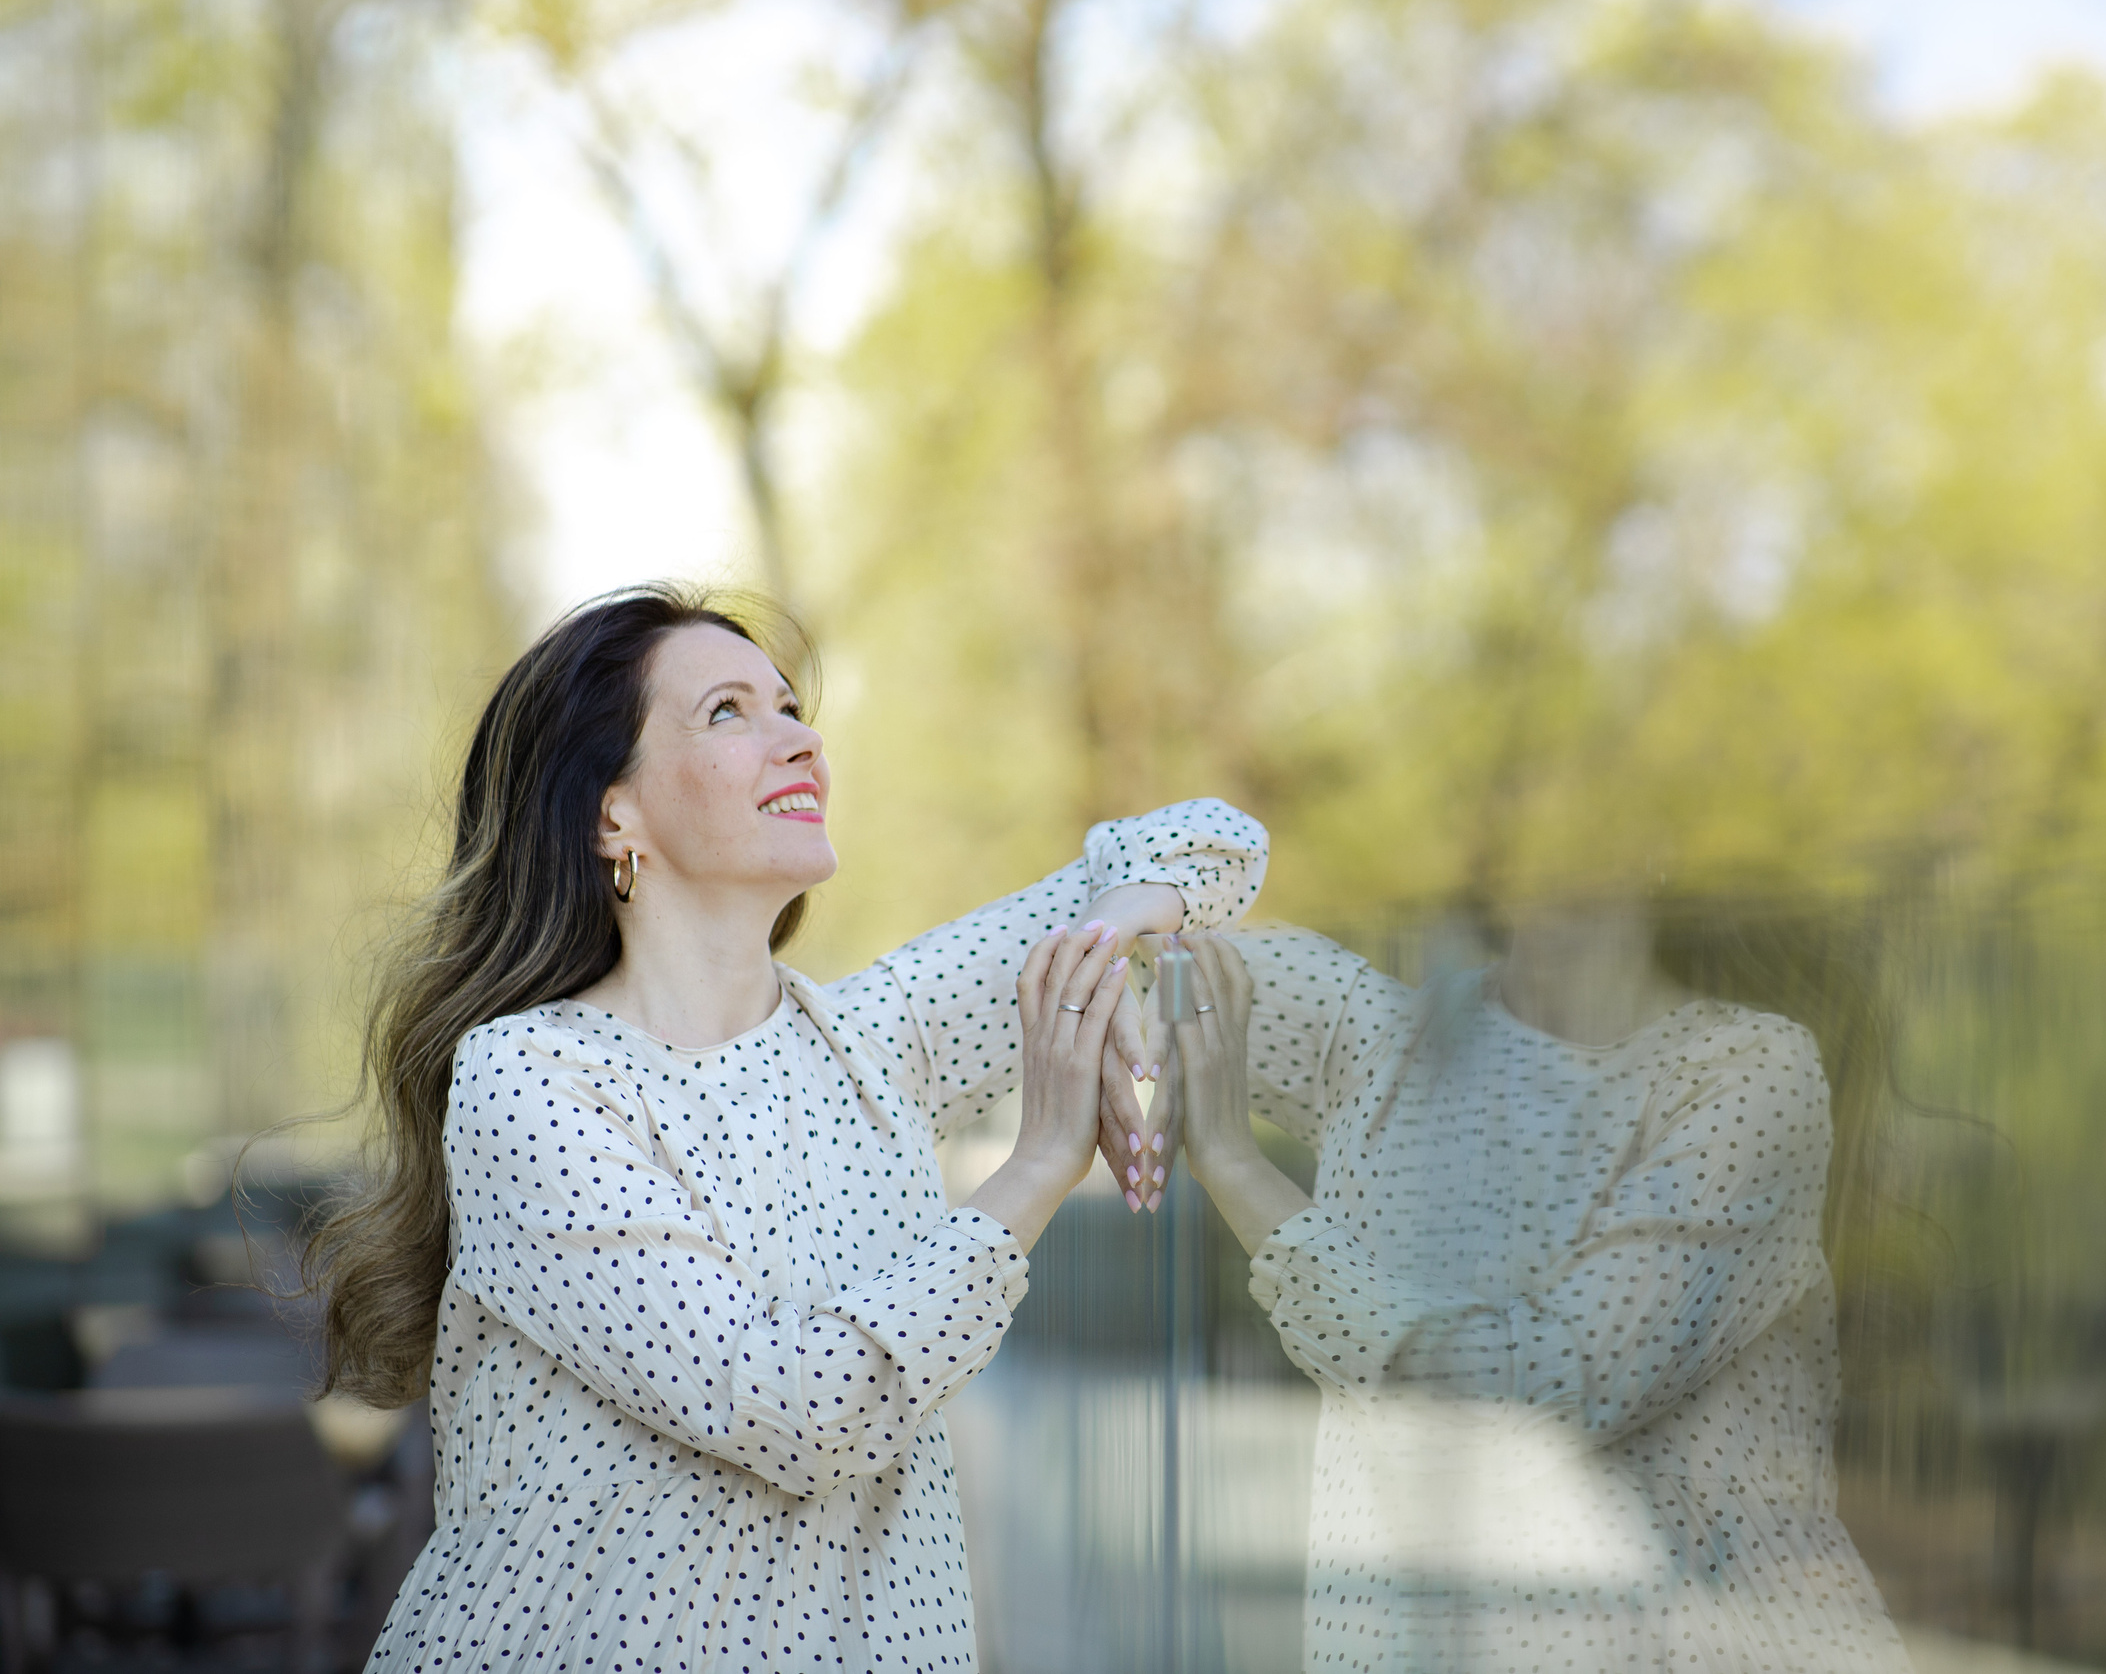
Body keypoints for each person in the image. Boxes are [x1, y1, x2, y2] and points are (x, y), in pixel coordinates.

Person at [304, 584, 1267, 1671]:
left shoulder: (878, 1035)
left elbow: (1208, 845)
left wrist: (1093, 957)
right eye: (728, 713)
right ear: (610, 814)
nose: (799, 741)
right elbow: (800, 1411)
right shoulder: (530, 1081)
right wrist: (1040, 1161)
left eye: (792, 708)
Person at [1161, 900, 1913, 1672]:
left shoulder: (1744, 1070)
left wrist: (1236, 1166)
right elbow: (1070, 961)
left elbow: (1534, 1387)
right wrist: (1163, 892)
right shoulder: (1376, 1032)